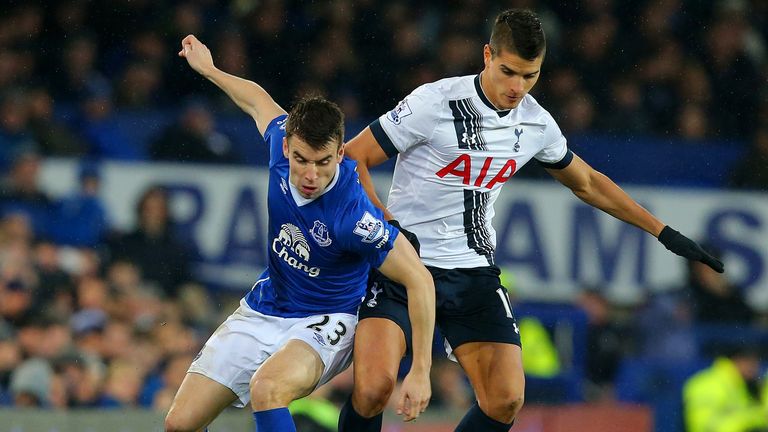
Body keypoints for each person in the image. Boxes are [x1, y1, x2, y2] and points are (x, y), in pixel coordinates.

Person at [339, 9, 724, 432]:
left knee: (505, 400)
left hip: (471, 274)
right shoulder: (434, 102)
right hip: (401, 266)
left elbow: (589, 183)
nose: (517, 87)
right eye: (508, 72)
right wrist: (384, 220)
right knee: (374, 389)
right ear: (487, 55)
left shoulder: (536, 123)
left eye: (530, 76)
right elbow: (354, 156)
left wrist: (662, 231)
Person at [164, 35, 435, 432]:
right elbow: (257, 100)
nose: (311, 174)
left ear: (341, 153)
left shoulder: (352, 216)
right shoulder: (279, 143)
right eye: (302, 159)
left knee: (267, 389)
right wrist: (209, 70)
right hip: (265, 307)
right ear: (287, 145)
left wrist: (422, 370)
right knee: (178, 425)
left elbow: (419, 279)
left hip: (327, 319)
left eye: (324, 162)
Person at [682, 345, 768, 432]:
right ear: (737, 360)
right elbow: (704, 426)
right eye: (750, 362)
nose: (755, 367)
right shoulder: (706, 384)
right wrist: (748, 426)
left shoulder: (749, 384)